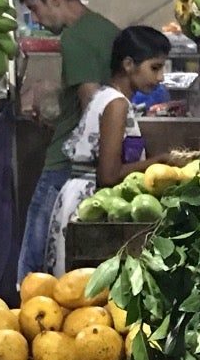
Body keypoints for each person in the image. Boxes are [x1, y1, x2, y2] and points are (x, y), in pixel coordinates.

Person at [15, 0, 119, 279]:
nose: (36, 19)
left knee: (34, 262)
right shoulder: (108, 29)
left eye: (35, 8)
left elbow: (92, 107)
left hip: (65, 164)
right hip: (98, 164)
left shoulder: (73, 40)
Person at [45, 27, 170, 274]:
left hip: (79, 198)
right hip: (88, 204)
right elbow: (109, 175)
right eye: (154, 68)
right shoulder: (116, 104)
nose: (161, 78)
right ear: (128, 64)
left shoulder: (105, 95)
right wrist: (161, 161)